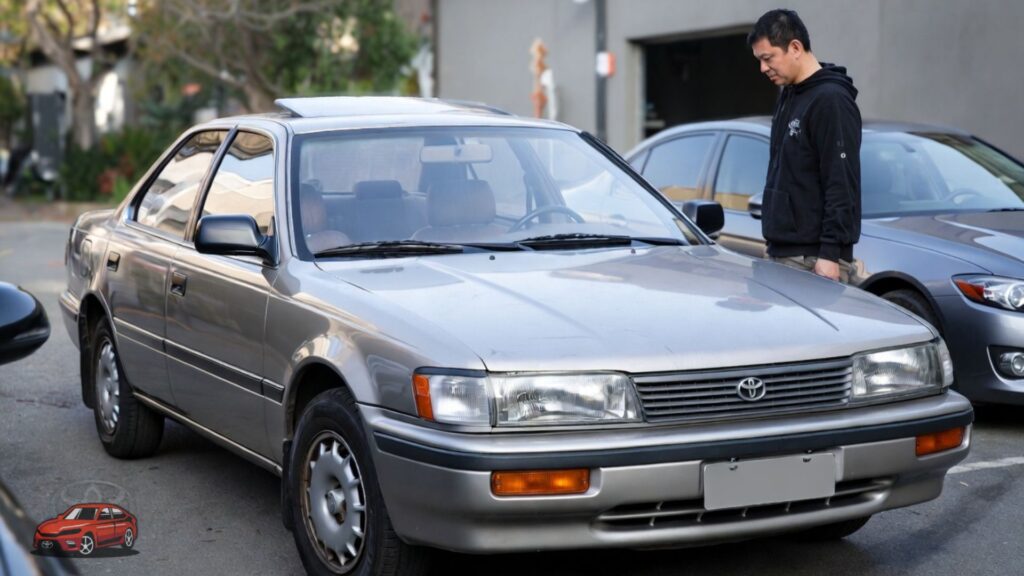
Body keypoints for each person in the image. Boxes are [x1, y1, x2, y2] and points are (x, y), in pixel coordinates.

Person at [748, 9, 862, 283]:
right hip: (784, 253)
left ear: (795, 47)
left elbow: (841, 180)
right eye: (759, 60)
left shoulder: (831, 100)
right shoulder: (790, 94)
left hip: (813, 260)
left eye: (767, 58)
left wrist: (830, 255)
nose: (763, 68)